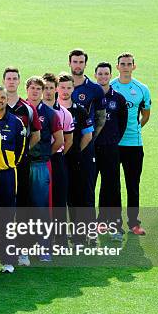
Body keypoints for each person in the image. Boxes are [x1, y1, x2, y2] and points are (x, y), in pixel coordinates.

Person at [110, 52, 152, 236]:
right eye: (122, 64)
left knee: (133, 185)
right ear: (117, 66)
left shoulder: (142, 89)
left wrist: (135, 128)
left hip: (134, 144)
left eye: (129, 64)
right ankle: (114, 222)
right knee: (113, 185)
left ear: (134, 66)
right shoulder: (110, 86)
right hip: (113, 144)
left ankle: (134, 223)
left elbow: (146, 115)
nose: (125, 67)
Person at [26, 76, 64, 260]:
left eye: (38, 89)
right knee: (22, 206)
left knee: (41, 207)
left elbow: (60, 141)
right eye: (32, 88)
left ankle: (44, 247)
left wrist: (46, 154)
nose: (35, 91)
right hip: (22, 165)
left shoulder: (50, 114)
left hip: (41, 165)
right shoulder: (20, 110)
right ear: (27, 90)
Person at [0, 85, 25, 274]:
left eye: (3, 97)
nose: (0, 100)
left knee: (7, 216)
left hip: (7, 174)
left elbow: (20, 150)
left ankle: (7, 258)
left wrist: (7, 164)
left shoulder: (16, 122)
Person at [57, 73, 94, 244]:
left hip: (76, 161)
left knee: (78, 197)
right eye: (62, 87)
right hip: (58, 159)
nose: (65, 91)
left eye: (68, 88)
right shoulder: (53, 110)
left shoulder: (79, 110)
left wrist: (77, 151)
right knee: (60, 199)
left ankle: (80, 235)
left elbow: (88, 135)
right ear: (57, 88)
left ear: (73, 89)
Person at [94, 62, 128, 240]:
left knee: (112, 188)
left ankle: (114, 226)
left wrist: (113, 140)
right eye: (100, 74)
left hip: (111, 149)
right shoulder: (91, 97)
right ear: (95, 76)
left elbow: (122, 124)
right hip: (91, 150)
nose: (103, 77)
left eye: (106, 74)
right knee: (87, 188)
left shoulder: (119, 99)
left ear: (110, 75)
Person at [69, 49, 105, 213]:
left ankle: (88, 233)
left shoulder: (94, 89)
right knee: (67, 189)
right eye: (75, 62)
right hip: (65, 145)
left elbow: (100, 119)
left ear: (85, 64)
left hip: (86, 146)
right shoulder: (60, 86)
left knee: (87, 189)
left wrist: (90, 138)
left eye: (81, 62)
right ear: (69, 63)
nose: (78, 65)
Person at [2, 67, 41, 210]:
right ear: (3, 81)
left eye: (14, 79)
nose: (11, 82)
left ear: (19, 81)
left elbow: (36, 135)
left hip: (21, 162)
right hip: (0, 163)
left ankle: (21, 231)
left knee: (22, 197)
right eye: (8, 79)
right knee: (1, 198)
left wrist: (24, 150)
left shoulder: (28, 108)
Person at [43, 73, 73, 247]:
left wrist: (55, 154)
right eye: (44, 88)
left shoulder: (65, 114)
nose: (48, 92)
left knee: (59, 201)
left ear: (56, 89)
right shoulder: (34, 111)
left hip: (57, 159)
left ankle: (60, 240)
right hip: (39, 162)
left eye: (50, 88)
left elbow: (68, 141)